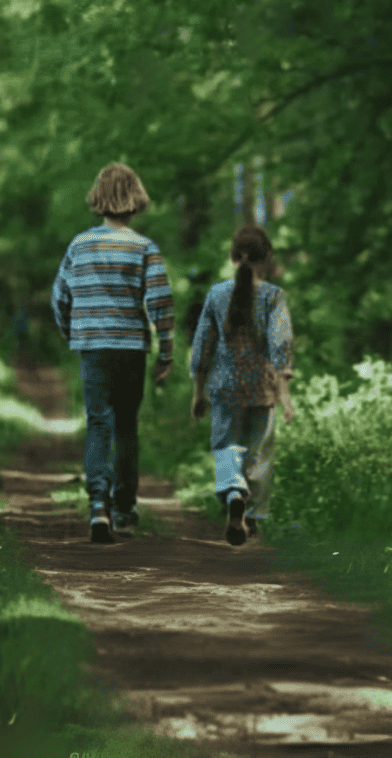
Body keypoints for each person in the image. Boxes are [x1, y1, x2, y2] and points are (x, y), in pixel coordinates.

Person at [51, 163, 175, 543]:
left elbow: (60, 298)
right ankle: (124, 510)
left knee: (98, 423)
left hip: (93, 349)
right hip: (131, 348)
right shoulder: (144, 248)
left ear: (99, 199)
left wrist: (74, 332)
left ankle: (97, 508)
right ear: (135, 199)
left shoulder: (79, 246)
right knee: (125, 427)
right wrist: (166, 351)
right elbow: (160, 302)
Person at [189, 225, 294, 546]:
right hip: (262, 389)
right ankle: (253, 518)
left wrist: (198, 391)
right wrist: (285, 395)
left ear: (234, 257)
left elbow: (202, 346)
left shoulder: (216, 295)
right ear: (266, 259)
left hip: (224, 387)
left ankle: (234, 491)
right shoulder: (273, 296)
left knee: (226, 446)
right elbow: (281, 347)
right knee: (258, 454)